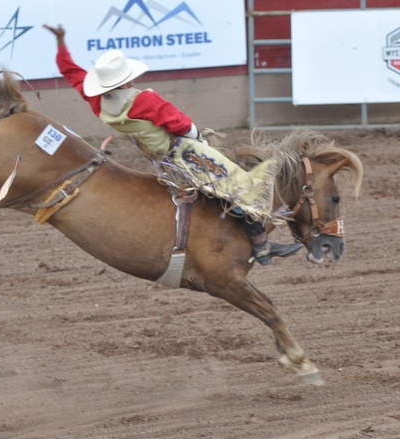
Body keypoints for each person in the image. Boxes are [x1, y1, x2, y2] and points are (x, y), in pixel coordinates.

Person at [44, 24, 302, 264]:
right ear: (125, 80)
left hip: (161, 161)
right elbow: (180, 124)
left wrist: (60, 44)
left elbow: (70, 71)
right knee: (241, 183)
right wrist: (200, 139)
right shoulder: (142, 100)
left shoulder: (97, 101)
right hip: (184, 152)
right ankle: (261, 245)